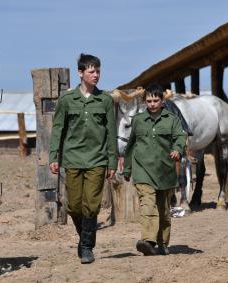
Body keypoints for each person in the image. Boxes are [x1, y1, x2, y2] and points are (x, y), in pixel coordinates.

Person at [49, 53, 118, 264]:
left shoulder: (105, 100)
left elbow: (110, 133)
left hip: (97, 160)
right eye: (91, 71)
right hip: (72, 159)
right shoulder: (67, 100)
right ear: (80, 73)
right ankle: (83, 239)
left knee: (91, 205)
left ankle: (87, 247)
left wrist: (112, 162)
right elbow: (58, 129)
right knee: (73, 207)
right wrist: (54, 156)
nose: (96, 75)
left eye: (98, 71)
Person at [123, 83, 187, 256]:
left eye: (155, 100)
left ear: (162, 101)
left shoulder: (172, 119)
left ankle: (162, 243)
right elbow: (130, 147)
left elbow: (180, 136)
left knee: (163, 210)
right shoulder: (138, 121)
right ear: (145, 102)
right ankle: (148, 241)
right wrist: (127, 170)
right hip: (142, 170)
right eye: (149, 100)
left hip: (164, 171)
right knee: (147, 204)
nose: (152, 104)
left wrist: (177, 149)